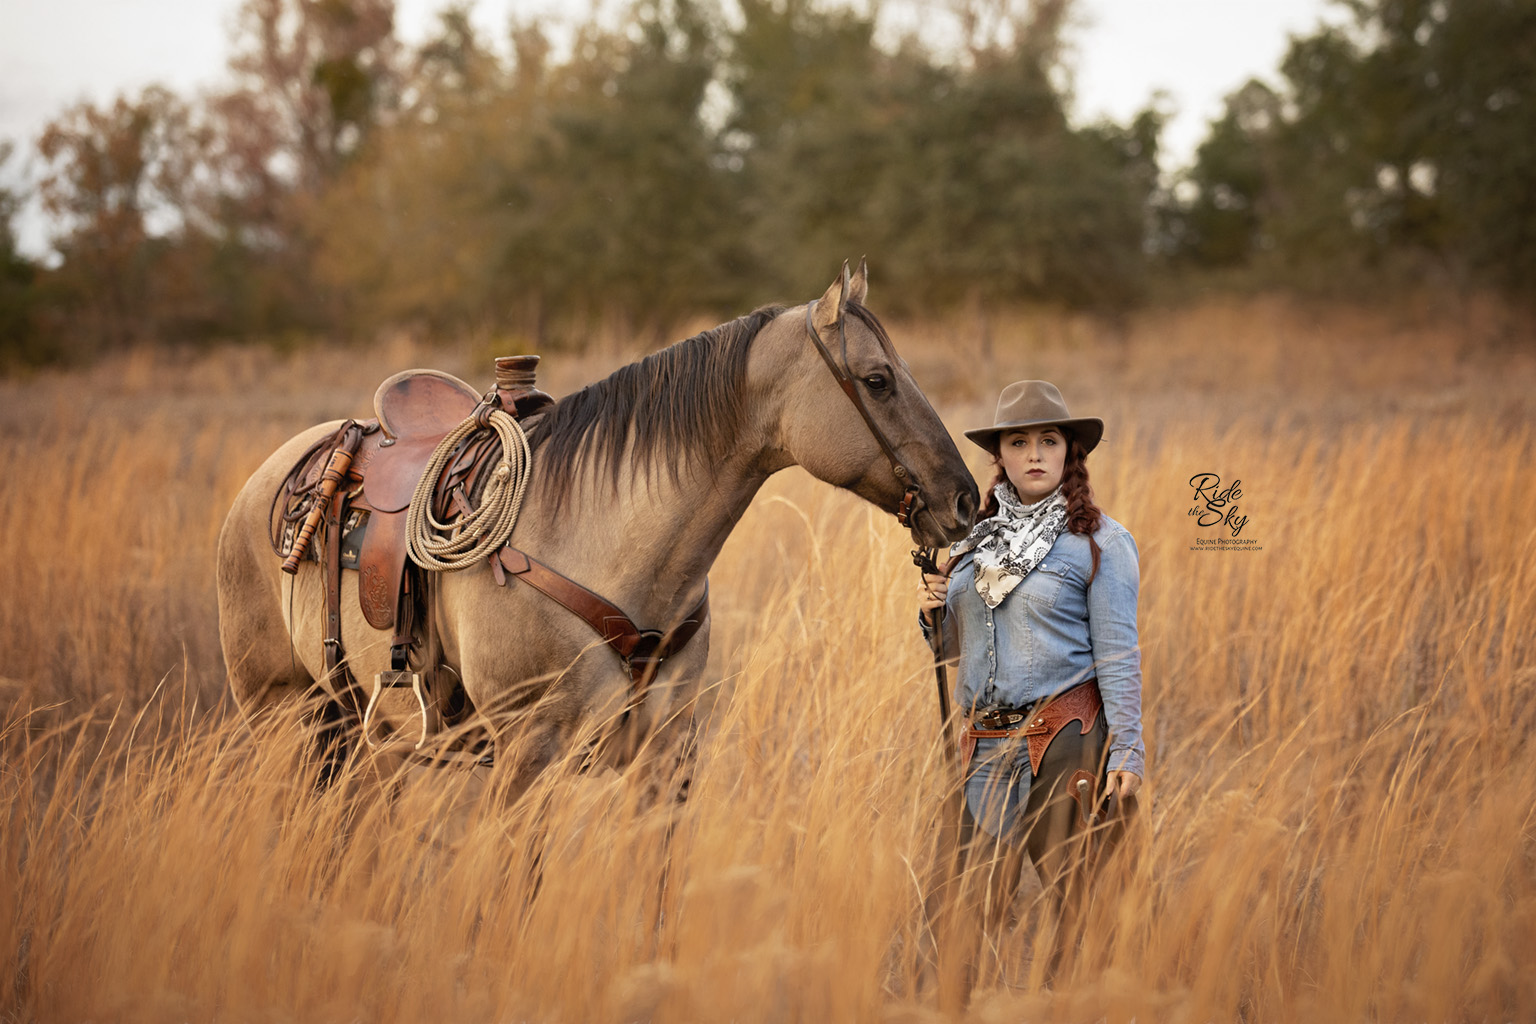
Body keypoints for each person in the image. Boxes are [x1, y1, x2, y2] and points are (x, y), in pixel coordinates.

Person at [919, 379, 1144, 965]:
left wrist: (1128, 753)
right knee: (963, 915)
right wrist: (935, 615)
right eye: (1019, 442)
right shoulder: (972, 543)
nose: (1035, 454)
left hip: (1065, 739)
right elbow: (956, 655)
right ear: (1002, 457)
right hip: (984, 747)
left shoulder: (1098, 543)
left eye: (1049, 440)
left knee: (1083, 910)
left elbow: (1119, 657)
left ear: (1071, 452)